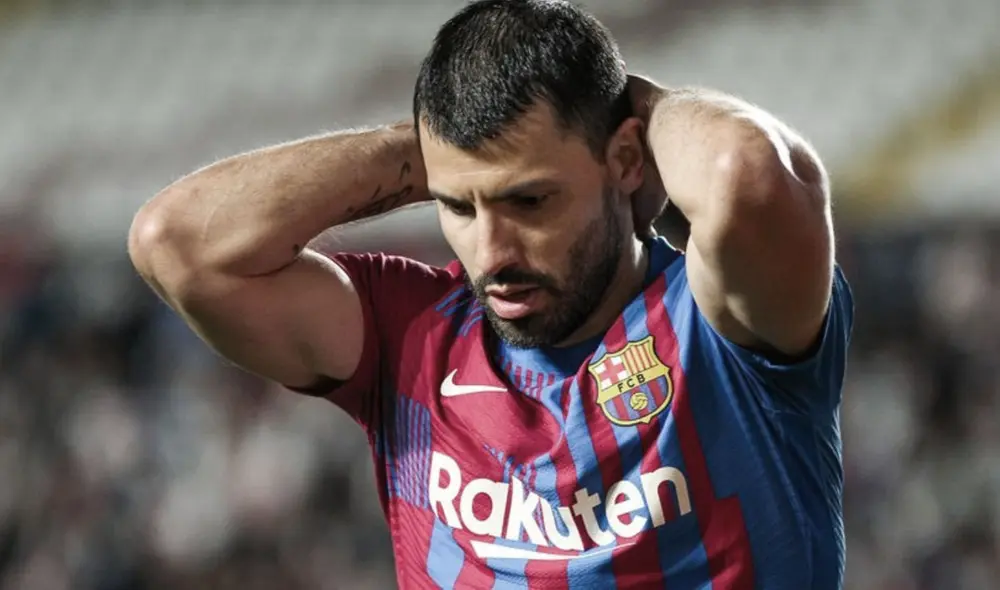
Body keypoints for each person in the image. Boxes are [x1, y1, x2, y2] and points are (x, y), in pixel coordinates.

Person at [128, 0, 854, 588]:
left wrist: (635, 106)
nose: (493, 253)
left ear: (626, 160)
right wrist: (432, 151)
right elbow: (178, 245)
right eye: (460, 209)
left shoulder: (724, 332)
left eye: (530, 200)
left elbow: (749, 176)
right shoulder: (409, 338)